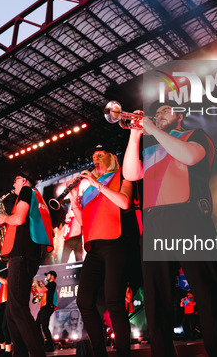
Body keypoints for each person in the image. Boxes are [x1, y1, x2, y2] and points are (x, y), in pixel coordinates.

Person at [122, 102, 217, 357]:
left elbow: (190, 156)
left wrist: (154, 128)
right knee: (156, 297)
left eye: (165, 111)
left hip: (189, 216)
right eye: (157, 112)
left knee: (207, 291)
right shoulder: (151, 147)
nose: (160, 115)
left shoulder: (194, 136)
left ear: (180, 115)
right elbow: (131, 174)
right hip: (154, 222)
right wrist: (135, 134)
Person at [69, 144, 139, 357]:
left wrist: (97, 185)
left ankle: (123, 353)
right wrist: (74, 204)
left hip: (116, 243)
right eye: (93, 157)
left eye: (100, 156)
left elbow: (125, 202)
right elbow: (84, 224)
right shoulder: (90, 188)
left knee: (114, 301)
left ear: (111, 157)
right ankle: (99, 352)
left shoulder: (123, 175)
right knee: (84, 301)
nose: (95, 160)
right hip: (94, 248)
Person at [0, 170, 54, 357]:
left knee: (18, 309)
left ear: (24, 180)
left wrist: (4, 218)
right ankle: (18, 353)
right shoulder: (38, 197)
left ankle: (37, 353)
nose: (13, 186)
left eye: (15, 181)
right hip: (26, 255)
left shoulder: (27, 191)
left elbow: (19, 218)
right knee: (12, 311)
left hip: (21, 255)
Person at [35, 270, 58, 352]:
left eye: (47, 275)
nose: (46, 277)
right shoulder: (50, 284)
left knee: (44, 326)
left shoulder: (52, 284)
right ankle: (42, 344)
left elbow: (41, 290)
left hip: (47, 307)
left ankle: (49, 346)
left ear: (52, 276)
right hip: (44, 307)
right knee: (37, 324)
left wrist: (37, 284)